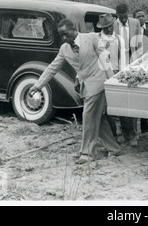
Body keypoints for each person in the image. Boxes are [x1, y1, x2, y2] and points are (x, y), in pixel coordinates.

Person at [29, 19, 121, 164]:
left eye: (66, 34)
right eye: (61, 36)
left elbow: (105, 61)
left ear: (74, 29)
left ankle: (88, 154)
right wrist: (38, 85)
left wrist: (113, 83)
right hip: (85, 87)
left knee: (88, 116)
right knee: (98, 118)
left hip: (99, 83)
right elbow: (52, 68)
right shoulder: (64, 49)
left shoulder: (91, 38)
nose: (65, 38)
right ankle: (114, 149)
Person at [113, 3, 142, 146]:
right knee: (119, 100)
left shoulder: (136, 23)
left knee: (134, 100)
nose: (123, 20)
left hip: (133, 65)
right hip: (119, 67)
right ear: (117, 15)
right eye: (120, 17)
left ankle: (134, 134)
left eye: (125, 17)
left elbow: (140, 44)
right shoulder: (113, 25)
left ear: (128, 14)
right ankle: (121, 132)